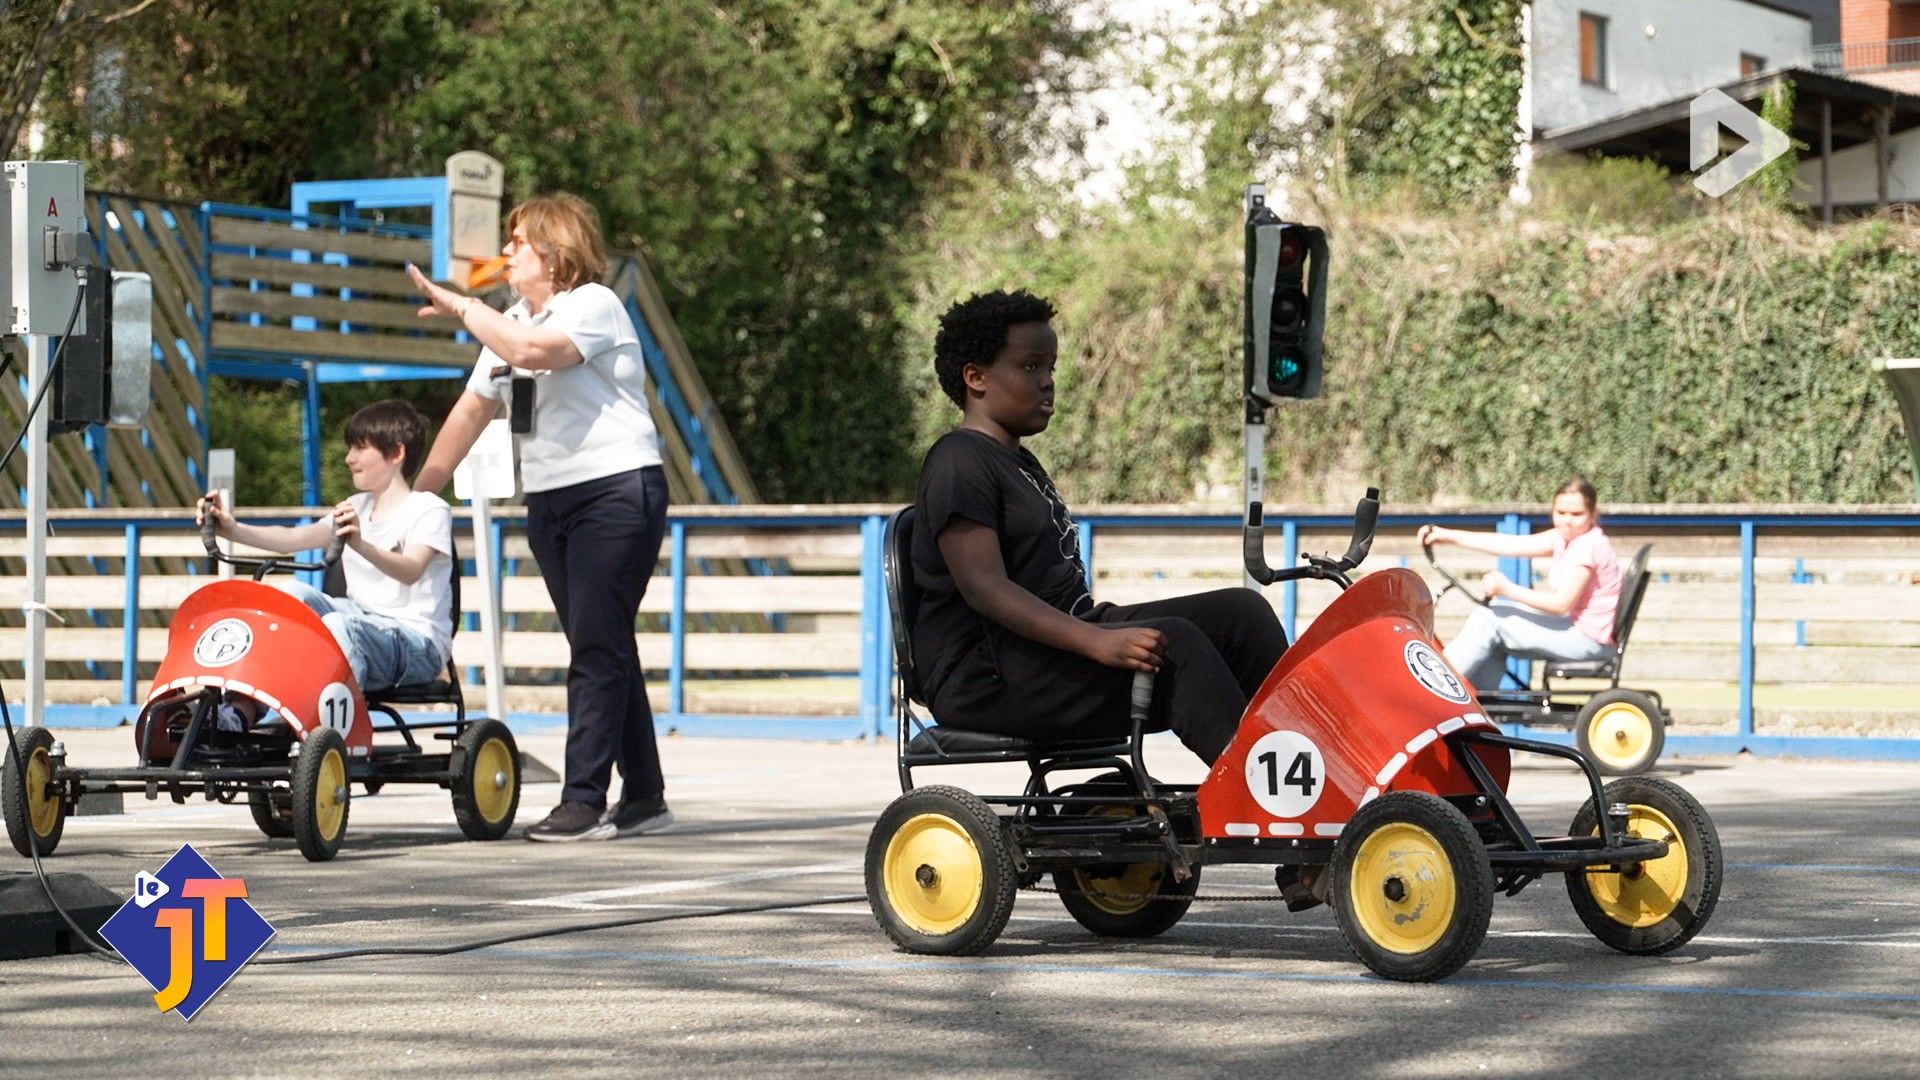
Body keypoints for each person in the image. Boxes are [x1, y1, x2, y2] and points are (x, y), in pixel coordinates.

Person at [911, 289, 1290, 768]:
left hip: (1041, 653)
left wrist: (1095, 631)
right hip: (987, 675)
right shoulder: (959, 461)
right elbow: (985, 588)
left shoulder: (1016, 461)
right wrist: (1095, 641)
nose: (1048, 382)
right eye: (1030, 367)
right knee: (1176, 645)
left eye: (1051, 367)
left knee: (1241, 613)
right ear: (976, 377)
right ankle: (1257, 796)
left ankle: (1306, 762)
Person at [405, 194, 671, 844]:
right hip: (551, 499)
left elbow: (532, 351)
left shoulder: (591, 306)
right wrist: (418, 494)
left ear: (553, 252)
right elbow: (471, 411)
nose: (506, 253)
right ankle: (646, 797)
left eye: (517, 242)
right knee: (599, 640)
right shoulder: (512, 319)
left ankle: (582, 800)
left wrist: (463, 305)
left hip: (615, 491)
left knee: (596, 646)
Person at [197, 399, 454, 720]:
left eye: (361, 448)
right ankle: (239, 710)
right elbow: (294, 539)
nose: (349, 459)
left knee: (336, 626)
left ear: (396, 453)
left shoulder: (428, 509)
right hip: (360, 619)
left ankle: (315, 725)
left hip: (418, 643)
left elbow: (412, 570)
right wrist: (232, 529)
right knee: (289, 597)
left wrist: (360, 545)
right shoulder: (355, 506)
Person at [1417, 477, 1623, 691]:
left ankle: (1431, 688)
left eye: (1576, 514)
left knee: (1490, 619)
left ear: (1593, 515)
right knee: (1493, 614)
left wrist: (1506, 589)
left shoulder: (1586, 545)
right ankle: (1472, 705)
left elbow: (1560, 604)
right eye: (1560, 513)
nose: (1567, 520)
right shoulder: (1568, 538)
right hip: (1578, 632)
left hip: (1587, 642)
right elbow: (1508, 544)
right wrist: (1446, 535)